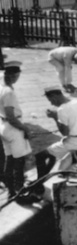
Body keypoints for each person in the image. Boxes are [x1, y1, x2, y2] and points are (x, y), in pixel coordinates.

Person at [34, 86, 77, 177]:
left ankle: (39, 183)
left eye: (51, 100)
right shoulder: (76, 101)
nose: (51, 103)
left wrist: (55, 117)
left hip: (74, 142)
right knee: (53, 152)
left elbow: (64, 132)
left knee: (40, 156)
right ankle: (44, 177)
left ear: (54, 97)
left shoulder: (62, 109)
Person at [0, 66, 31, 199]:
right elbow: (11, 116)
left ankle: (10, 190)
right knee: (19, 161)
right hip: (13, 127)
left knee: (9, 159)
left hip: (3, 125)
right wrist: (25, 128)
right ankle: (20, 189)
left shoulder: (1, 87)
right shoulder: (8, 92)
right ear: (15, 76)